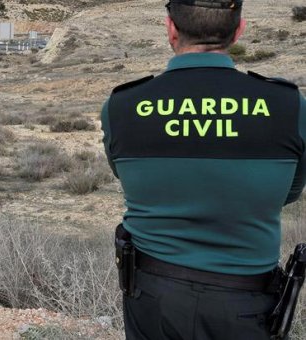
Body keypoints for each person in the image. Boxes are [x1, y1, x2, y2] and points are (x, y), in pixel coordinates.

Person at [100, 0, 306, 339]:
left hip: (152, 297)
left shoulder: (122, 106)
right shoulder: (288, 105)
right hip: (246, 302)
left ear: (170, 28)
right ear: (239, 29)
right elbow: (290, 192)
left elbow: (126, 178)